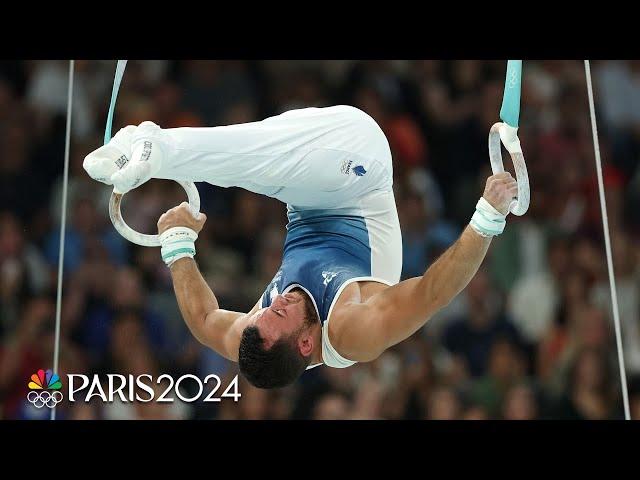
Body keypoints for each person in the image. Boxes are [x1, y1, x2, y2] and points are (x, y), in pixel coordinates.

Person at [83, 105, 519, 389]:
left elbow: (204, 320)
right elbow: (432, 293)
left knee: (263, 164)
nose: (276, 303)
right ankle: (155, 149)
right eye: (279, 314)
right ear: (307, 344)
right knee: (260, 163)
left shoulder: (257, 337)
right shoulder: (351, 332)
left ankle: (153, 148)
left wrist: (178, 247)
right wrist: (487, 218)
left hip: (306, 169)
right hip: (357, 167)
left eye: (266, 310)